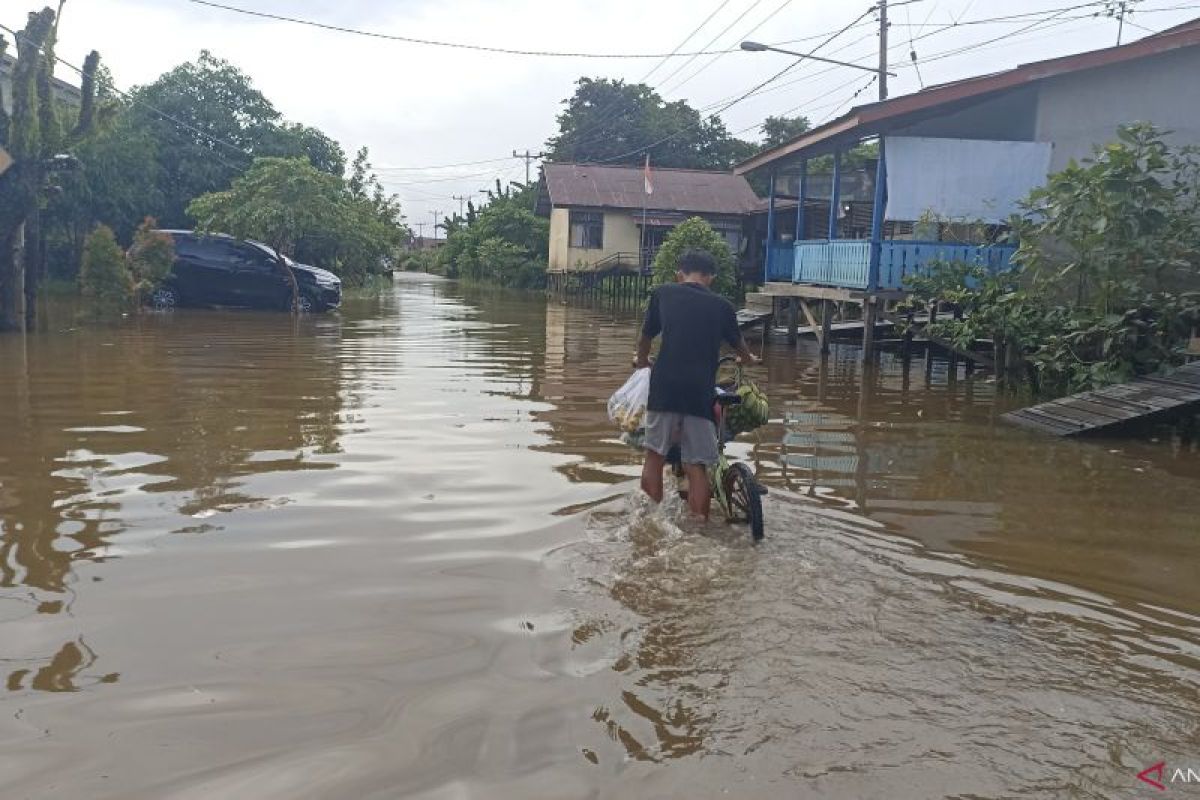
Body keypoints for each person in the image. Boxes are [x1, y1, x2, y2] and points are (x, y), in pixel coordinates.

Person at [634, 248, 759, 519]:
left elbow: (646, 336)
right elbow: (739, 346)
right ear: (710, 277)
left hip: (664, 387)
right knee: (696, 466)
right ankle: (699, 529)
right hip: (699, 393)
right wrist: (748, 359)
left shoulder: (663, 293)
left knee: (654, 457)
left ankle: (651, 522)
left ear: (680, 273)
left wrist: (642, 360)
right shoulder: (723, 306)